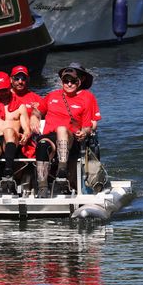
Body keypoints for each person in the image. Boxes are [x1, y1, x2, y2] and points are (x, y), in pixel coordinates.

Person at [33, 64, 96, 197]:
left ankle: (62, 170)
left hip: (71, 137)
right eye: (66, 81)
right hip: (50, 136)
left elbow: (87, 125)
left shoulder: (87, 97)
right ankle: (42, 187)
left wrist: (84, 132)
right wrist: (34, 117)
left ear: (79, 81)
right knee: (42, 145)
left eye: (72, 81)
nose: (69, 84)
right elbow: (37, 110)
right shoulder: (52, 95)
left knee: (61, 129)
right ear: (61, 82)